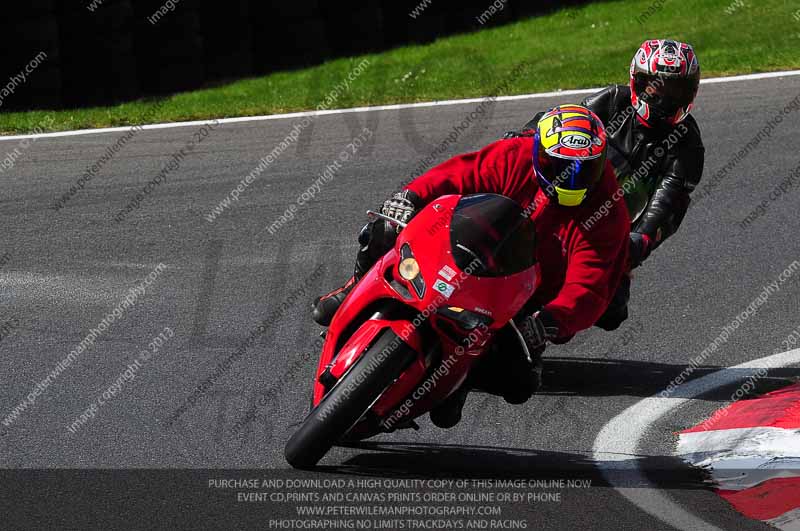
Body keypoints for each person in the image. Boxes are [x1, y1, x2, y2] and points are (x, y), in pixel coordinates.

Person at [312, 105, 630, 428]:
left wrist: (549, 321)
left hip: (520, 298)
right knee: (380, 230)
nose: (570, 178)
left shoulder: (608, 211)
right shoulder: (514, 156)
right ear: (538, 150)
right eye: (559, 165)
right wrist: (410, 196)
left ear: (602, 162)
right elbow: (460, 174)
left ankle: (461, 380)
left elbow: (591, 286)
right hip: (461, 245)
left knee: (521, 381)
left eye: (583, 169)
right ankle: (355, 286)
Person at [512, 39, 704, 330]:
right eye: (655, 87)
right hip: (562, 196)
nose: (664, 99)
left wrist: (637, 243)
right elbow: (562, 122)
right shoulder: (614, 101)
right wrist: (524, 136)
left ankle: (539, 331)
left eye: (675, 90)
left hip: (608, 231)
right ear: (636, 81)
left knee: (611, 311)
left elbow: (666, 207)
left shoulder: (687, 145)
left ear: (691, 91)